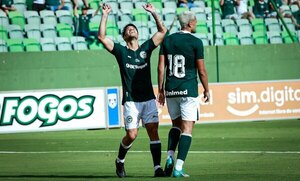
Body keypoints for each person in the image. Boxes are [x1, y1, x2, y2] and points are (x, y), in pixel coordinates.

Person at [97, 3, 167, 178]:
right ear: (124, 36)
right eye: (128, 29)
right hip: (130, 100)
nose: (131, 30)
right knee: (132, 134)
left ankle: (157, 168)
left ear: (137, 33)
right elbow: (102, 37)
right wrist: (105, 15)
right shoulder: (120, 51)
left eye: (133, 28)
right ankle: (120, 161)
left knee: (153, 130)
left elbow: (162, 32)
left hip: (148, 99)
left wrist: (154, 13)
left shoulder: (146, 48)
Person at [158, 10, 210, 178]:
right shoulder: (196, 42)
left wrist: (160, 90)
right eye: (195, 22)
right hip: (188, 89)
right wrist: (207, 89)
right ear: (189, 24)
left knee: (175, 125)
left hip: (171, 89)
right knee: (187, 129)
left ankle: (169, 157)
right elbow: (201, 70)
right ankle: (178, 168)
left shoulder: (167, 40)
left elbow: (161, 67)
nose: (196, 24)